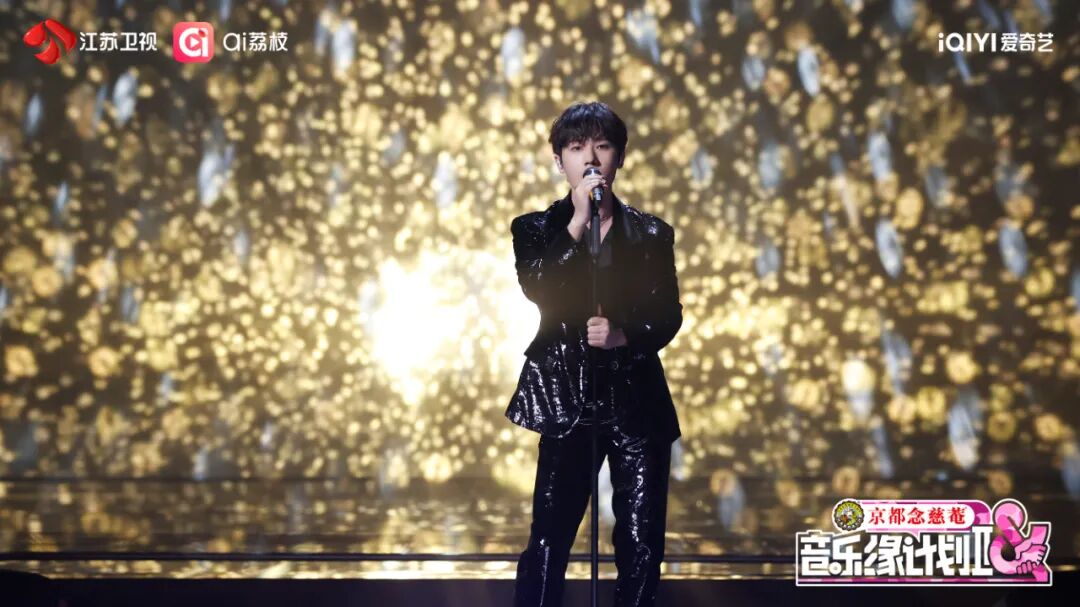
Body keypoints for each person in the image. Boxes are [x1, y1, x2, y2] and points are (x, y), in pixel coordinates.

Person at [506, 101, 683, 607]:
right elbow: (541, 288)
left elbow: (667, 314)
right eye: (576, 147)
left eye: (602, 146)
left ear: (619, 157)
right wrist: (580, 218)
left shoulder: (651, 234)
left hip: (636, 402)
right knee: (549, 536)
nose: (590, 158)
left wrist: (624, 335)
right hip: (567, 401)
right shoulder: (535, 230)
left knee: (641, 542)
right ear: (558, 160)